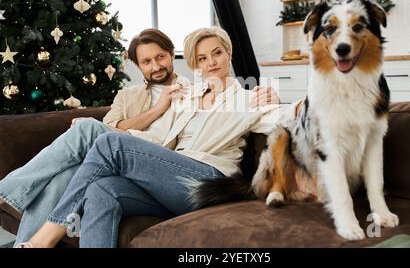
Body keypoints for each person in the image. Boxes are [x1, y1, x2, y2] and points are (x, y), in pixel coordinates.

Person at [17, 26, 287, 248]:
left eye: (217, 53)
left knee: (110, 145)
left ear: (228, 53)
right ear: (195, 64)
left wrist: (277, 99)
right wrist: (100, 129)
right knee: (102, 189)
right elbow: (154, 138)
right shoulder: (186, 97)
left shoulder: (250, 98)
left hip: (208, 180)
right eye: (202, 58)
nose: (211, 62)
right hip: (170, 181)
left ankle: (44, 238)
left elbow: (288, 117)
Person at [0, 28, 190, 245]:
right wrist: (155, 110)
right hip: (107, 162)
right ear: (138, 66)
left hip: (148, 169)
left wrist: (158, 110)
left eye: (160, 57)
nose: (155, 66)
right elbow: (108, 129)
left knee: (87, 129)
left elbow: (166, 145)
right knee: (65, 176)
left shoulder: (189, 94)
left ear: (172, 54)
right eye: (146, 61)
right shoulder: (127, 95)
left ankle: (6, 191)